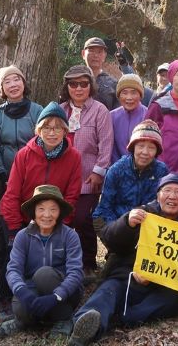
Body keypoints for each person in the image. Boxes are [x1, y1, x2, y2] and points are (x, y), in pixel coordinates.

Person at [67, 174, 178, 346]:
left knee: (172, 302)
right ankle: (82, 327)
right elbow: (109, 238)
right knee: (108, 291)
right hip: (129, 276)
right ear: (158, 195)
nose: (172, 196)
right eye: (167, 190)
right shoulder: (142, 213)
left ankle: (118, 318)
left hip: (165, 286)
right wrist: (126, 223)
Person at [0, 102, 82, 316]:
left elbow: (72, 194)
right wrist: (14, 227)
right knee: (12, 255)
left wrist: (60, 222)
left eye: (57, 128)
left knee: (51, 259)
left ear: (65, 130)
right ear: (38, 130)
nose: (52, 133)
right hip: (23, 215)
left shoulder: (73, 157)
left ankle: (56, 296)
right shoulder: (25, 154)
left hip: (54, 216)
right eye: (47, 127)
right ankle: (6, 298)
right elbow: (12, 192)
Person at [0, 64, 43, 319]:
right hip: (7, 180)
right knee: (8, 233)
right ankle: (5, 291)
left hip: (34, 181)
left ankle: (34, 283)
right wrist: (1, 171)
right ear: (2, 88)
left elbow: (43, 141)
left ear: (24, 82)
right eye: (7, 81)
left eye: (16, 79)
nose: (13, 84)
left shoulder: (37, 110)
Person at [0, 185, 84, 339]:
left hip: (64, 293)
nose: (47, 215)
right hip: (33, 289)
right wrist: (24, 293)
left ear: (60, 212)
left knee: (44, 275)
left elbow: (76, 273)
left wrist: (56, 296)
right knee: (20, 307)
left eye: (53, 209)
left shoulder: (70, 236)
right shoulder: (23, 236)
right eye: (41, 209)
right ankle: (25, 321)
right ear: (34, 212)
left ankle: (64, 319)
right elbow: (13, 270)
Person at [59, 64, 114, 275]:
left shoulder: (100, 110)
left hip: (88, 176)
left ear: (90, 86)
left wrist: (99, 171)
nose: (79, 88)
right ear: (67, 87)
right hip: (63, 177)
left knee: (82, 219)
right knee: (63, 218)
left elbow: (106, 143)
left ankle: (88, 262)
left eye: (83, 84)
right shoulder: (61, 110)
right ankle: (65, 262)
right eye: (73, 84)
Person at [93, 120, 169, 227]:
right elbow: (105, 207)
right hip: (117, 220)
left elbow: (159, 205)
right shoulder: (116, 170)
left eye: (151, 148)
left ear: (157, 151)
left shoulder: (161, 171)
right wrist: (118, 228)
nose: (145, 152)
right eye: (141, 146)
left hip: (146, 223)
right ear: (133, 147)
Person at [110, 74, 148, 160]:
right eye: (124, 93)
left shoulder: (149, 115)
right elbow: (110, 147)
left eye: (134, 93)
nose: (129, 97)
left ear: (140, 95)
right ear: (119, 96)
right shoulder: (111, 116)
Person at [81, 37, 119, 110]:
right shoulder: (74, 81)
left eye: (99, 52)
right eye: (91, 51)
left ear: (105, 55)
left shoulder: (113, 84)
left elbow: (118, 112)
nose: (95, 55)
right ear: (83, 54)